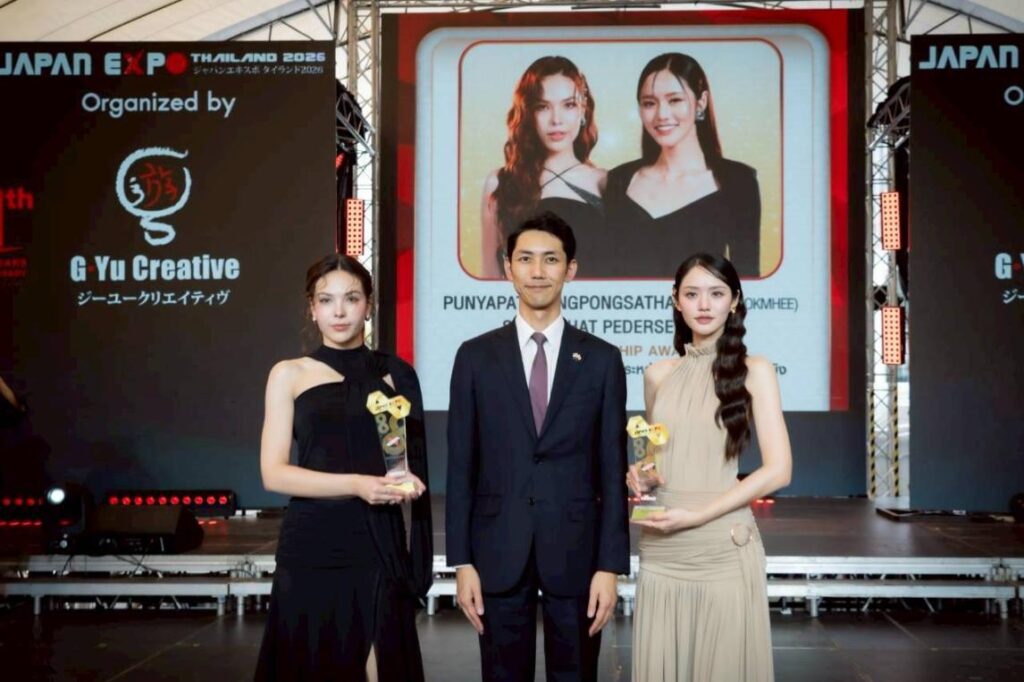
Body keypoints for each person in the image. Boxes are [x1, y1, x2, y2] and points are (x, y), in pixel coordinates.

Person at [447, 211, 630, 681]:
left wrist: (610, 566)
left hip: (578, 553)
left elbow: (612, 471)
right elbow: (461, 466)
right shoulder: (474, 357)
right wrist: (461, 561)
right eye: (526, 259)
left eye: (551, 259)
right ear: (508, 268)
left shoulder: (602, 360)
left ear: (571, 269)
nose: (537, 271)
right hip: (496, 551)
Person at [255, 254, 432, 682]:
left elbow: (406, 460)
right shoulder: (289, 374)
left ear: (368, 305)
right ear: (312, 309)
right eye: (326, 300)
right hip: (314, 543)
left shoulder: (396, 374)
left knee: (381, 662)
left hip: (378, 540)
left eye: (351, 298)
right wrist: (356, 484)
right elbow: (273, 473)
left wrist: (407, 482)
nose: (339, 311)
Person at [627, 253, 792, 681]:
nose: (704, 305)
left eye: (716, 294)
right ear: (676, 300)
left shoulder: (755, 371)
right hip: (663, 546)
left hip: (720, 545)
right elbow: (655, 454)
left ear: (734, 301)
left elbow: (779, 470)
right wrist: (641, 473)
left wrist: (698, 516)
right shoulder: (657, 374)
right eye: (692, 294)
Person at [599, 53, 761, 278]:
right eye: (649, 103)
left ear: (701, 102)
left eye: (675, 100)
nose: (662, 115)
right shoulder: (618, 180)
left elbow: (748, 278)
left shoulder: (738, 181)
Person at [479, 56, 606, 279]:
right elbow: (488, 278)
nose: (556, 119)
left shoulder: (606, 182)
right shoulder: (500, 183)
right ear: (529, 113)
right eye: (543, 107)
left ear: (583, 110)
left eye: (568, 105)